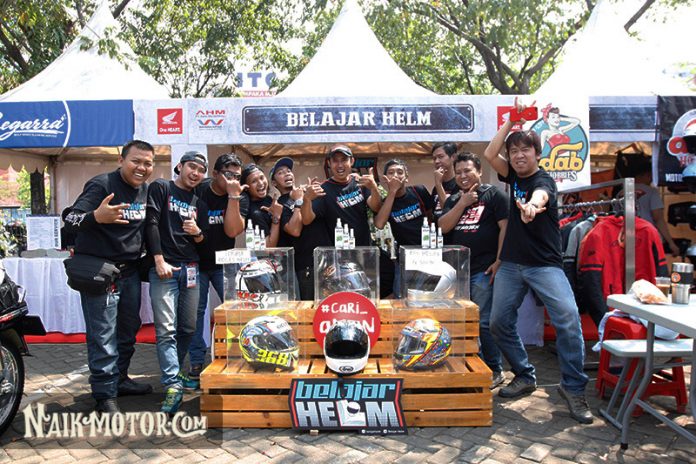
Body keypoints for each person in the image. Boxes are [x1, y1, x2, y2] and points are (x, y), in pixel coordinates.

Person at [482, 99, 593, 424]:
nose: (519, 155)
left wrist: (532, 206)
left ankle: (573, 387)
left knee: (568, 320)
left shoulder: (544, 181)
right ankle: (524, 374)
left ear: (537, 153)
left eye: (525, 150)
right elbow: (490, 154)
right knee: (498, 323)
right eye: (514, 150)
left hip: (544, 265)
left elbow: (540, 195)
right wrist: (511, 121)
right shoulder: (512, 177)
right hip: (511, 264)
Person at [63, 140, 155, 413]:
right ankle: (104, 394)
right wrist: (95, 216)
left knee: (128, 331)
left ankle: (120, 379)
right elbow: (69, 220)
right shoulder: (102, 184)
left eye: (148, 163)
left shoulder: (145, 190)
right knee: (103, 335)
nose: (141, 168)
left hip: (130, 272)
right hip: (100, 274)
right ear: (121, 160)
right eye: (136, 161)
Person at [438, 152, 508, 390]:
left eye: (467, 170)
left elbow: (505, 228)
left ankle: (494, 369)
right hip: (457, 273)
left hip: (483, 270)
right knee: (461, 322)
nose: (463, 176)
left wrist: (499, 260)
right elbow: (443, 226)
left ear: (479, 171)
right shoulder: (453, 199)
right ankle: (469, 367)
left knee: (484, 323)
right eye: (458, 172)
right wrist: (462, 203)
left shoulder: (494, 195)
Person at [146, 151, 208, 414]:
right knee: (166, 330)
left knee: (188, 327)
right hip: (166, 268)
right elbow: (150, 223)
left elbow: (203, 241)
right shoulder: (162, 187)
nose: (196, 173)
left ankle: (176, 372)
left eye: (201, 170)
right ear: (180, 167)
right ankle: (173, 384)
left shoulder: (198, 202)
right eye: (192, 167)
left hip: (191, 268)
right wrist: (158, 259)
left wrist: (198, 233)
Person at [188, 153, 248, 380]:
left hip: (224, 262)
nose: (233, 179)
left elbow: (232, 231)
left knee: (235, 311)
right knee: (195, 313)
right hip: (196, 261)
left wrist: (233, 196)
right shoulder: (198, 190)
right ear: (214, 174)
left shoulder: (239, 195)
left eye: (237, 176)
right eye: (228, 174)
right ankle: (196, 362)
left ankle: (236, 355)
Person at [302, 145, 391, 297]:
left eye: (344, 160)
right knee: (346, 297)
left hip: (365, 253)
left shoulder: (360, 183)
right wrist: (307, 199)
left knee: (369, 294)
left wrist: (374, 188)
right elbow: (306, 220)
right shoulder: (324, 189)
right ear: (329, 163)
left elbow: (376, 206)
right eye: (335, 161)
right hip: (340, 259)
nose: (340, 165)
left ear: (352, 161)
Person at [269, 157, 330, 300]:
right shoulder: (279, 204)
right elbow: (294, 231)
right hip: (305, 266)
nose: (287, 174)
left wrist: (309, 194)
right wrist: (298, 201)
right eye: (280, 172)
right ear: (274, 183)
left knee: (330, 304)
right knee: (309, 307)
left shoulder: (308, 192)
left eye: (289, 171)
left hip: (327, 260)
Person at [374, 159, 433, 296]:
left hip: (427, 254)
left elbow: (431, 216)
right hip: (405, 257)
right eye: (391, 173)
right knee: (401, 296)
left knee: (427, 294)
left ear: (406, 177)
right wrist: (392, 191)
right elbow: (379, 224)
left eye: (400, 172)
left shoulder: (419, 191)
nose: (395, 175)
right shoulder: (387, 202)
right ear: (386, 179)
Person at [621, 159, 679, 256]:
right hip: (646, 237)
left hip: (624, 238)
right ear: (647, 175)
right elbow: (658, 218)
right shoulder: (651, 192)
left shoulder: (621, 193)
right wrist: (671, 243)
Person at [240, 164, 283, 248]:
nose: (260, 183)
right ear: (246, 188)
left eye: (262, 178)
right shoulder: (254, 214)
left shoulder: (267, 199)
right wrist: (276, 218)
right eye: (254, 181)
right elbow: (268, 246)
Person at [431, 142, 460, 221]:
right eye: (434, 158)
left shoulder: (460, 184)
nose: (436, 161)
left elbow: (447, 212)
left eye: (441, 157)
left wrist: (438, 184)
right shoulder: (435, 188)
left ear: (453, 157)